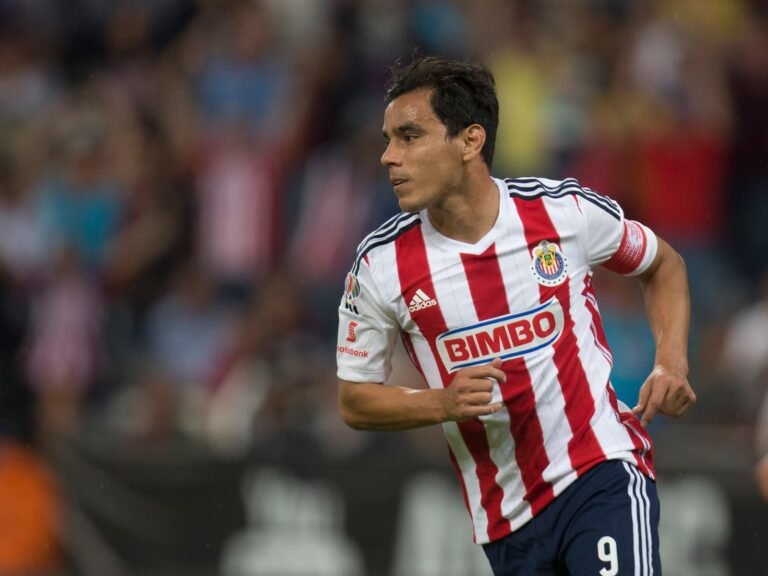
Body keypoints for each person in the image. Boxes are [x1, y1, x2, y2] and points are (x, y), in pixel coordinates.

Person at [336, 55, 696, 576]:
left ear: (470, 141)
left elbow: (663, 264)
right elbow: (354, 398)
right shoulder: (380, 264)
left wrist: (671, 362)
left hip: (600, 472)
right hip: (506, 520)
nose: (389, 157)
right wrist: (441, 402)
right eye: (389, 139)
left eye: (410, 137)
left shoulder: (561, 213)